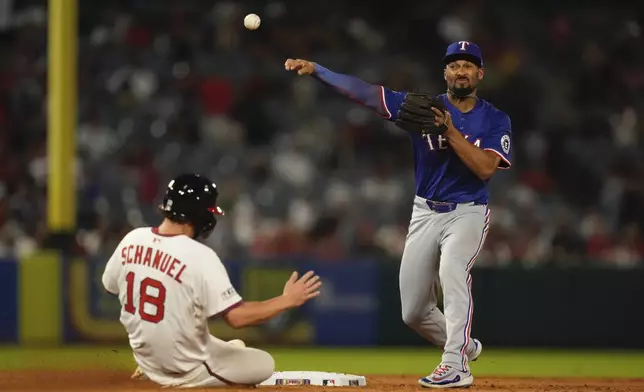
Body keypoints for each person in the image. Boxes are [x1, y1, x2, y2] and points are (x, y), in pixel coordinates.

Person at [285, 41, 512, 388]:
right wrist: (318, 71)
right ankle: (465, 345)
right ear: (445, 73)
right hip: (425, 212)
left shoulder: (495, 119)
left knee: (452, 269)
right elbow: (365, 93)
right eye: (454, 65)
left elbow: (484, 169)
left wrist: (449, 130)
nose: (460, 71)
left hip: (468, 211)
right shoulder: (422, 108)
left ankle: (455, 364)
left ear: (480, 73)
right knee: (413, 312)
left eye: (468, 65)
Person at [101, 173, 322, 388]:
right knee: (264, 363)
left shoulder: (133, 238)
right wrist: (286, 300)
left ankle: (151, 371)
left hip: (146, 358)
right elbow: (238, 318)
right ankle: (178, 382)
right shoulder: (199, 255)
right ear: (198, 215)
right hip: (185, 369)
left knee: (234, 347)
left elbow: (109, 286)